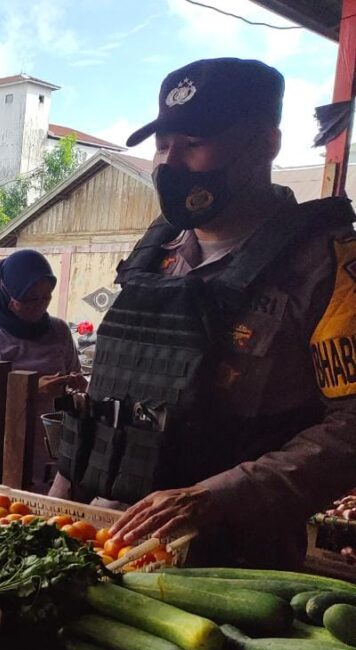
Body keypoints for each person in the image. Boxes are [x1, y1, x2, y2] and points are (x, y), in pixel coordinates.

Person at [50, 58, 356, 568]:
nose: (170, 163)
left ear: (265, 144)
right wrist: (59, 502)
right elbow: (112, 395)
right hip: (109, 540)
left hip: (236, 563)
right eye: (163, 145)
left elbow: (350, 429)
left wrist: (217, 497)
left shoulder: (327, 266)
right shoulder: (157, 254)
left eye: (193, 144)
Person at [0, 249, 86, 487]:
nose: (38, 306)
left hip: (51, 456)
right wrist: (29, 390)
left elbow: (73, 389)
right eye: (28, 299)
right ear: (6, 293)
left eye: (45, 298)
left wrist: (76, 388)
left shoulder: (59, 331)